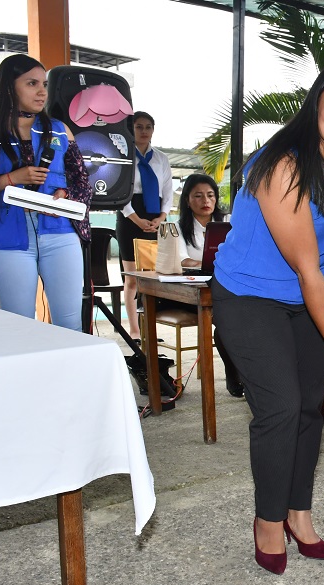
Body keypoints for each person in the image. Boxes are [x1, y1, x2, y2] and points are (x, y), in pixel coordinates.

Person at [210, 62, 324, 574]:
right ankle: (268, 520)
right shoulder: (282, 164)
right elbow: (310, 270)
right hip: (248, 295)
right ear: (316, 106)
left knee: (310, 407)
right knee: (282, 407)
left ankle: (298, 514)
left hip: (303, 298)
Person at [0, 54, 91, 330]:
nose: (42, 92)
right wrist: (10, 179)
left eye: (44, 84)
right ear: (9, 87)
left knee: (70, 323)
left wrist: (65, 195)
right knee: (18, 326)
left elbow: (81, 182)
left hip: (60, 234)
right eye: (31, 83)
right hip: (8, 238)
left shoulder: (60, 130)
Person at [169, 173, 242, 397]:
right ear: (187, 200)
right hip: (192, 292)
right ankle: (234, 373)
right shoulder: (178, 228)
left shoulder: (229, 224)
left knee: (237, 319)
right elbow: (182, 261)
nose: (206, 201)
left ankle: (238, 372)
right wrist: (207, 262)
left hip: (226, 286)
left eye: (210, 195)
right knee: (227, 319)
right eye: (198, 196)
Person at [118, 111, 173, 342]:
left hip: (155, 218)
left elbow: (168, 192)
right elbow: (119, 191)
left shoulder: (161, 158)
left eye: (148, 127)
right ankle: (134, 330)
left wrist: (161, 218)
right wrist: (136, 219)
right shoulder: (123, 155)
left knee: (152, 279)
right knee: (133, 278)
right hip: (130, 216)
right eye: (139, 126)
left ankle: (150, 329)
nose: (144, 131)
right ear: (131, 129)